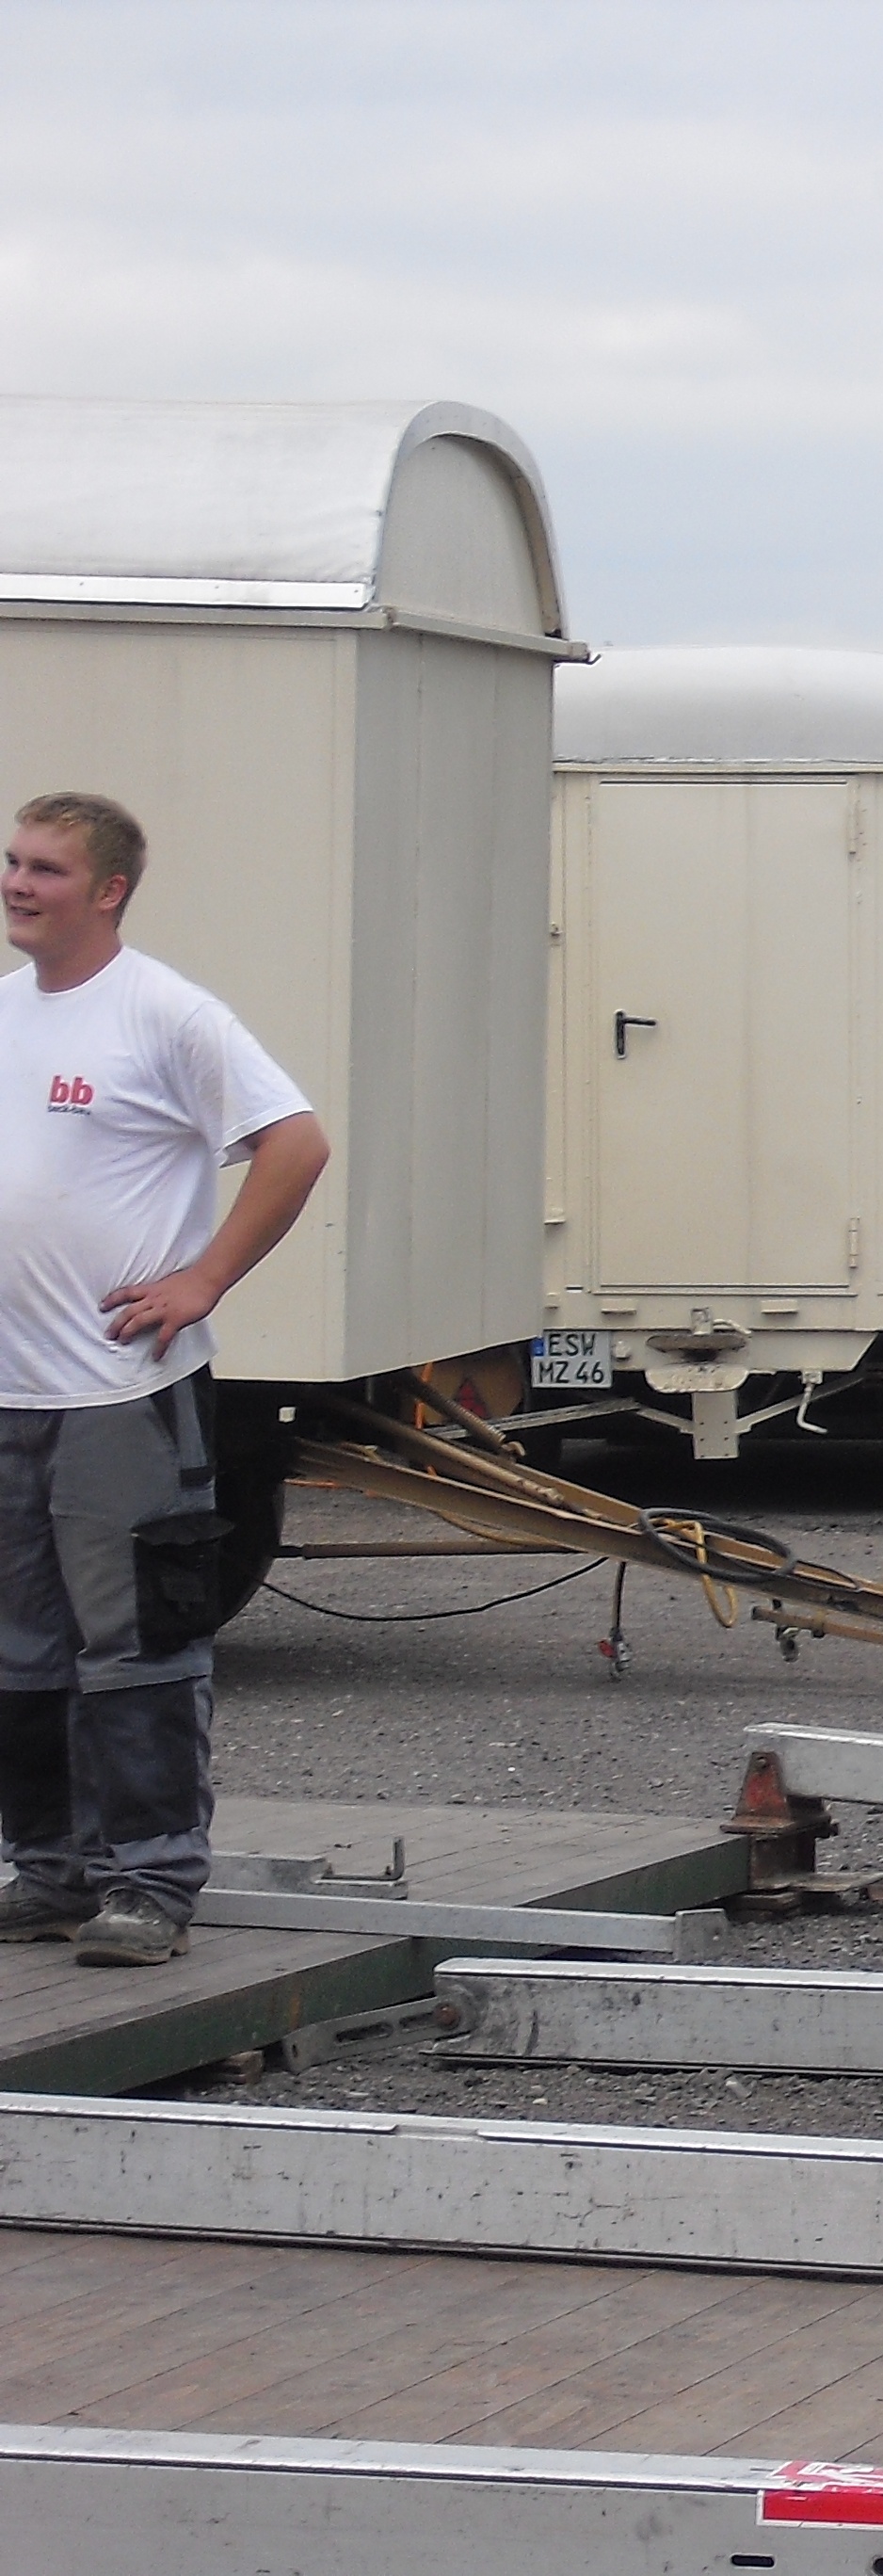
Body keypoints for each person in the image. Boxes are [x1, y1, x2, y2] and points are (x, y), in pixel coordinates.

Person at [2, 792, 327, 1969]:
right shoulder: (7, 1013)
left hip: (119, 1396)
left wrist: (204, 1277)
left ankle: (147, 1884)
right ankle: (49, 1870)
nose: (17, 883)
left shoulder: (167, 1015)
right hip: (12, 1396)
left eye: (45, 868)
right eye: (12, 861)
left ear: (109, 891)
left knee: (136, 1645)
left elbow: (296, 1143)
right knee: (19, 1654)